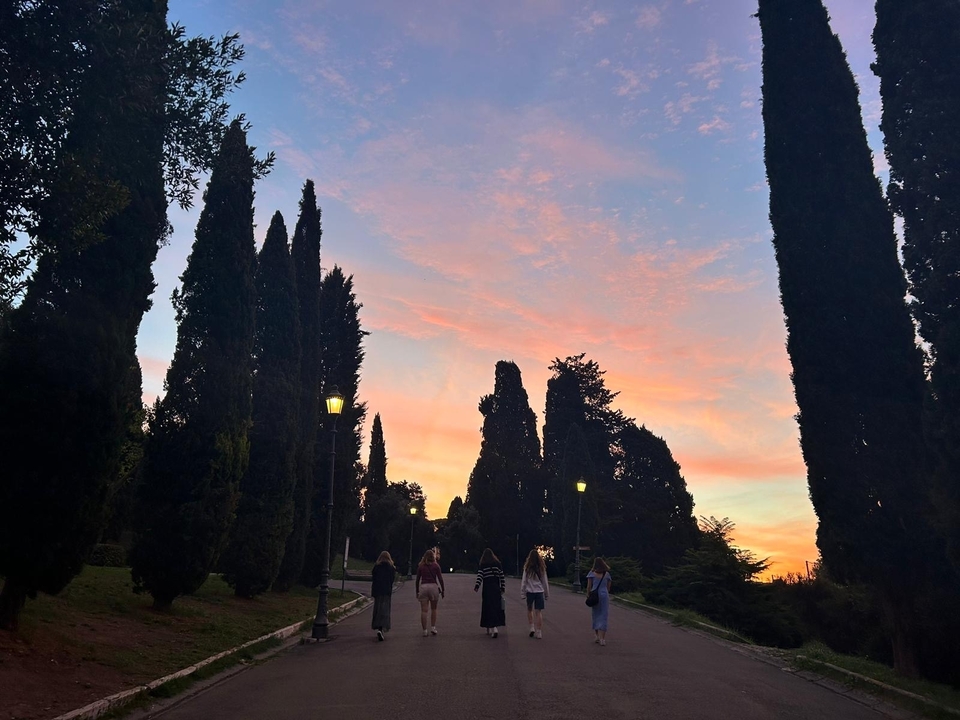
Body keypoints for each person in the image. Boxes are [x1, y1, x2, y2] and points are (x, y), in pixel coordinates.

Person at [474, 548, 505, 637]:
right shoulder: (497, 564)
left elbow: (480, 576)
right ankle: (493, 626)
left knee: (487, 607)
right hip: (496, 588)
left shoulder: (483, 564)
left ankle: (492, 627)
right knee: (495, 607)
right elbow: (501, 576)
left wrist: (477, 586)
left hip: (487, 588)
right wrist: (503, 587)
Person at [520, 549, 549, 639]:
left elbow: (524, 581)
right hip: (539, 591)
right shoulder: (541, 568)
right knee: (538, 611)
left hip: (530, 591)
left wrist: (522, 593)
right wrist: (546, 594)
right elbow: (545, 582)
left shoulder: (527, 568)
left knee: (529, 610)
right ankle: (539, 631)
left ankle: (532, 627)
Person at [415, 548, 445, 637]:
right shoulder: (436, 566)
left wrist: (417, 591)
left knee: (424, 610)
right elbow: (440, 579)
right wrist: (443, 590)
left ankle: (424, 630)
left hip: (424, 587)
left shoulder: (421, 566)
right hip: (433, 587)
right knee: (434, 609)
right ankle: (433, 627)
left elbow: (417, 580)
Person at [585, 557, 612, 646]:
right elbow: (608, 587)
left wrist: (588, 595)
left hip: (595, 595)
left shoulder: (591, 573)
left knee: (595, 614)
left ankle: (596, 635)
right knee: (604, 615)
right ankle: (603, 638)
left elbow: (589, 586)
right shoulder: (607, 574)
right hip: (604, 595)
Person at [371, 551, 396, 641]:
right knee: (385, 609)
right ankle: (382, 628)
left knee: (377, 609)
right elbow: (392, 579)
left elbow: (373, 577)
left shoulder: (377, 567)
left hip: (377, 591)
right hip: (386, 591)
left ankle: (378, 627)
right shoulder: (391, 568)